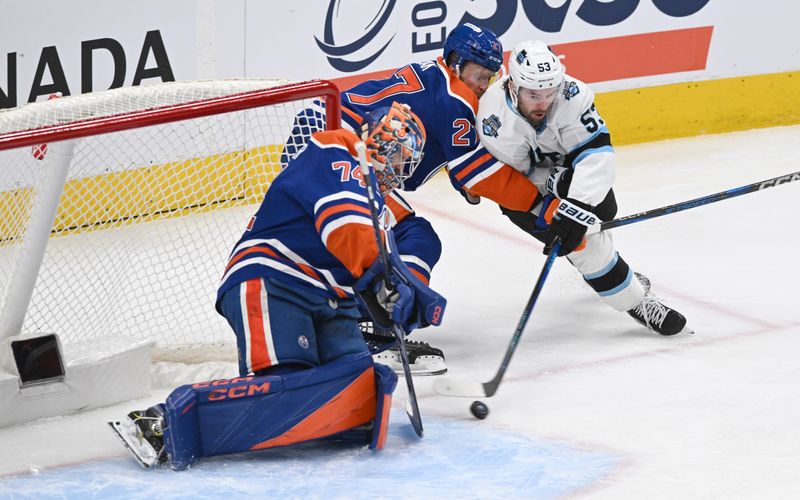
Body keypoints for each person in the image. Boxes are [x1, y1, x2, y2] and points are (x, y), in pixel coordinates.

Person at [108, 102, 446, 470]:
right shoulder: (337, 151)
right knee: (286, 389)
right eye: (399, 157)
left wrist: (413, 298)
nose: (400, 170)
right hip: (275, 281)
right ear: (380, 141)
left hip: (332, 300)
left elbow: (380, 260)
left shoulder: (377, 201)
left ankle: (317, 417)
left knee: (357, 385)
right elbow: (346, 229)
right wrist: (390, 282)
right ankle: (159, 423)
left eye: (406, 163)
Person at [283, 23, 547, 375]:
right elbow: (475, 173)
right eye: (479, 75)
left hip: (320, 133)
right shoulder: (457, 98)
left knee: (377, 233)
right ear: (456, 63)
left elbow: (453, 158)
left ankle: (338, 316)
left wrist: (465, 177)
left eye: (490, 77)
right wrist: (539, 202)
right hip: (339, 149)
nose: (483, 86)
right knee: (413, 235)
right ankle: (376, 329)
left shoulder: (436, 77)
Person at [475, 40, 691, 335]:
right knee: (582, 243)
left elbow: (596, 154)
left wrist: (576, 202)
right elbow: (518, 179)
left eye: (549, 93)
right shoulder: (493, 119)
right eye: (533, 95)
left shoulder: (572, 94)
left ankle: (609, 271)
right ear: (513, 86)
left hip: (566, 172)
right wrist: (563, 202)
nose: (543, 103)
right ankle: (636, 301)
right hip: (518, 192)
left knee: (603, 211)